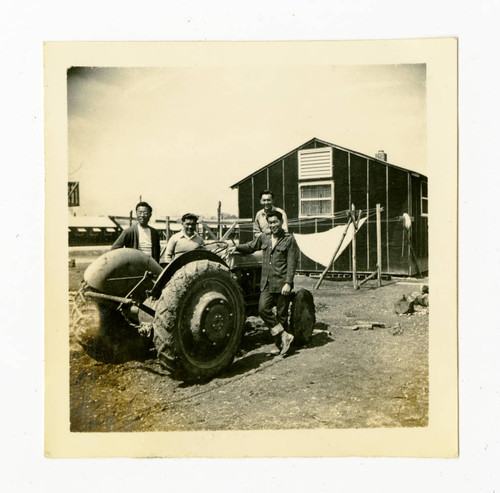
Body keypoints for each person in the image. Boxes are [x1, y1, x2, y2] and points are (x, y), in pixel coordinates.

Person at [230, 210, 297, 356]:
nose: (273, 225)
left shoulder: (289, 240)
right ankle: (284, 336)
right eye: (270, 222)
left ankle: (280, 345)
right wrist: (236, 247)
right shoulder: (264, 237)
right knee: (262, 309)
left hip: (281, 283)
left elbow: (292, 263)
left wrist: (288, 283)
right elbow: (250, 246)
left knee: (281, 314)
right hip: (266, 282)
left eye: (276, 222)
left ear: (281, 222)